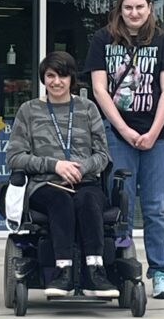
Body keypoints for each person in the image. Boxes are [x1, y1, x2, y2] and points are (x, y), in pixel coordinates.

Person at [85, 0, 164, 300]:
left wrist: (153, 132)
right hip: (116, 134)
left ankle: (160, 273)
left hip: (158, 136)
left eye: (140, 7)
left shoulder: (163, 41)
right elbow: (99, 90)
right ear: (120, 10)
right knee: (120, 206)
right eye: (128, 8)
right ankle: (121, 269)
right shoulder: (102, 39)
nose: (134, 13)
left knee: (154, 207)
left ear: (149, 9)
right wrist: (124, 130)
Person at [6, 51, 118, 298]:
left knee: (88, 201)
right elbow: (14, 157)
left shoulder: (88, 109)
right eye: (50, 76)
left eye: (62, 76)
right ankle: (62, 271)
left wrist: (80, 168)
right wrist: (54, 165)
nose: (56, 82)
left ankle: (95, 271)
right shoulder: (29, 110)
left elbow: (103, 155)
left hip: (85, 182)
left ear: (72, 79)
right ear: (43, 79)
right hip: (44, 185)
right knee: (61, 201)